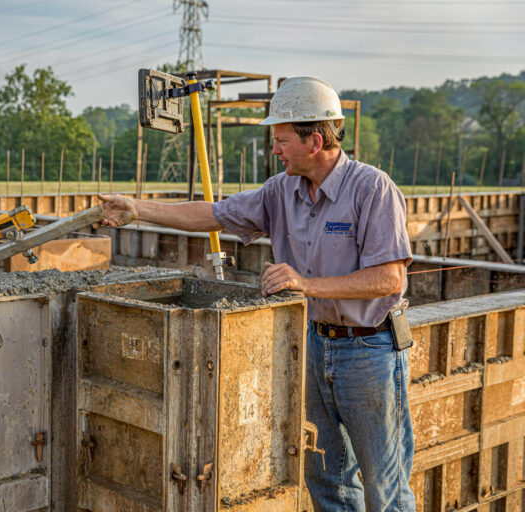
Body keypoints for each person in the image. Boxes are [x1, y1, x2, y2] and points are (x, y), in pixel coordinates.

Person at [99, 77, 415, 510]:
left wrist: (305, 283)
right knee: (327, 478)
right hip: (314, 343)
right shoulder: (280, 191)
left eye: (282, 140)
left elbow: (390, 279)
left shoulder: (371, 189)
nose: (275, 149)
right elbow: (212, 214)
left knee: (385, 486)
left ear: (315, 140)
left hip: (370, 350)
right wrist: (139, 209)